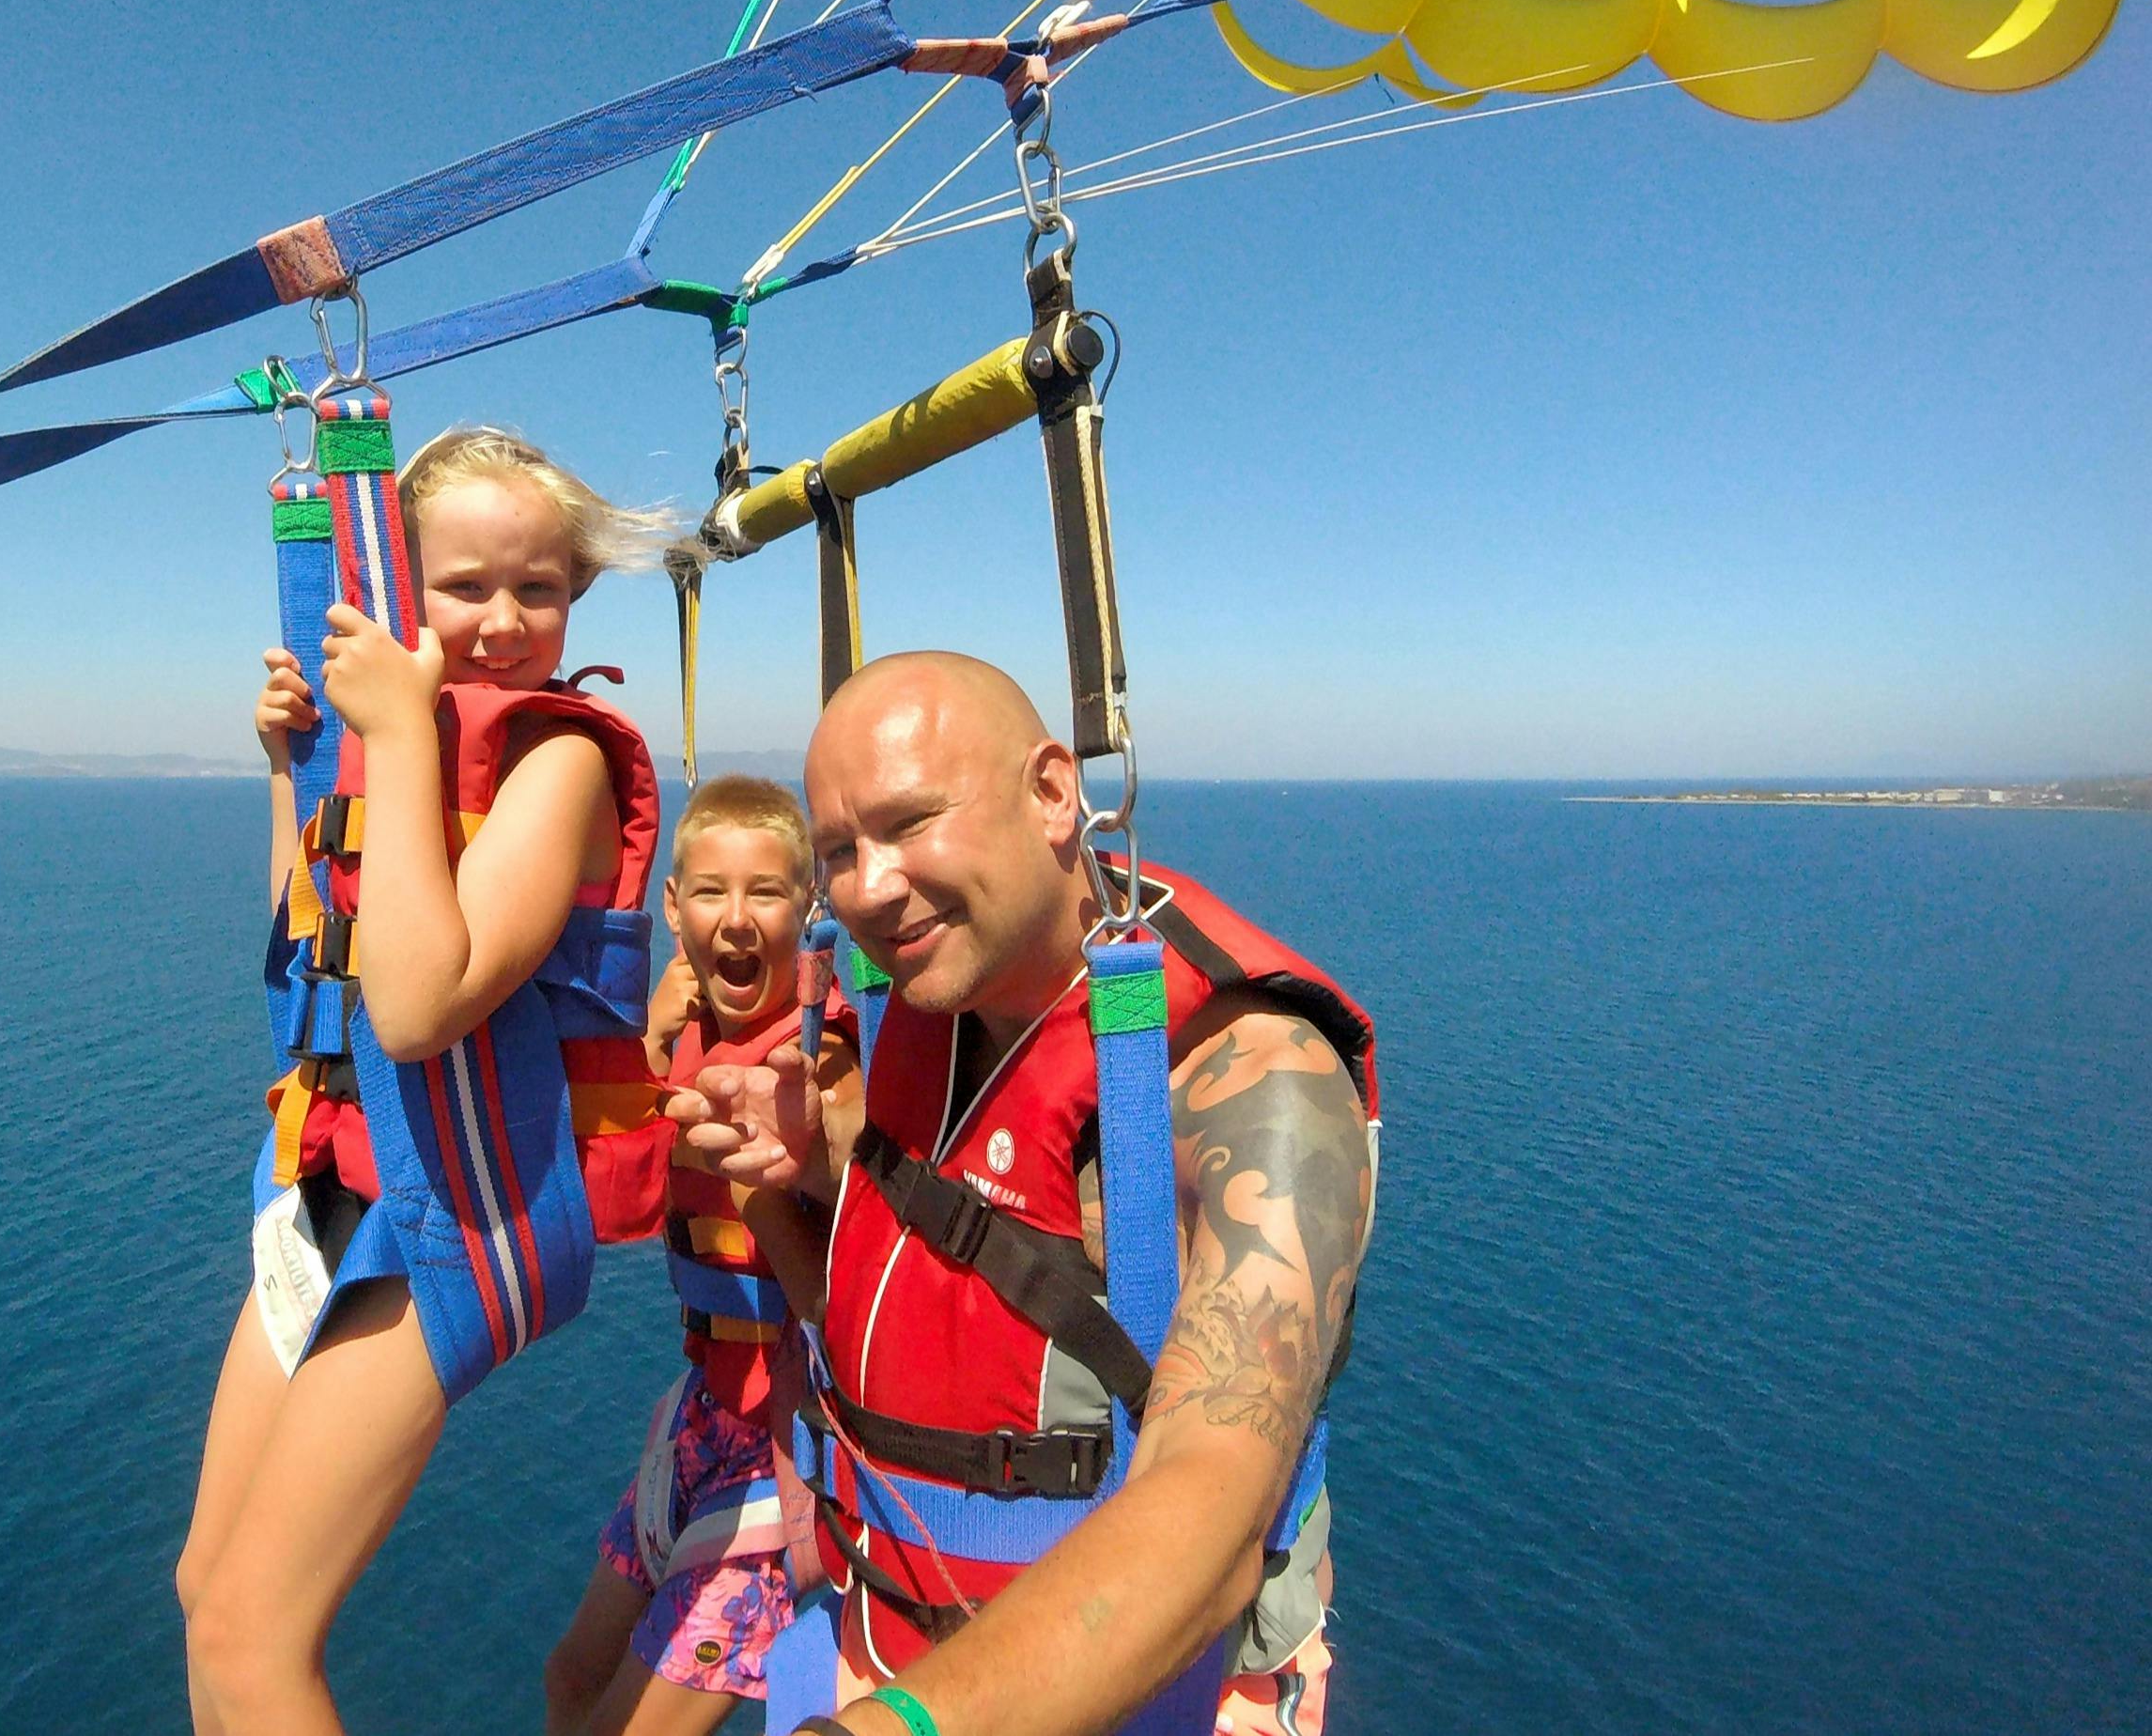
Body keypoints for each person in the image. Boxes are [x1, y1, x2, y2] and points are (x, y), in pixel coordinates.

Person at [672, 652, 1380, 1736]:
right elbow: (914, 1308)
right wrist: (808, 1175)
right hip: (877, 1636)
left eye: (910, 823)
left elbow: (1213, 1510)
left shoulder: (1249, 1083)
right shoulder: (920, 1016)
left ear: (1054, 792)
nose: (866, 884)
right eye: (839, 852)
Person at [175, 426, 673, 1736]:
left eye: (541, 588)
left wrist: (395, 728)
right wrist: (299, 768)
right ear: (398, 587)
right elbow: (318, 940)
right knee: (207, 1590)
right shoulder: (398, 742)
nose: (507, 621)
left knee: (253, 1636)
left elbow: (416, 998)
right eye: (466, 587)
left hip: (456, 1213)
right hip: (332, 1187)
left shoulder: (553, 761)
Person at [544, 777, 862, 1736]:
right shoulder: (677, 1034)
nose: (737, 917)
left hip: (792, 1443)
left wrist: (767, 1186)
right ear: (672, 909)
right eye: (711, 892)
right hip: (704, 1419)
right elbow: (616, 1202)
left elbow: (848, 1315)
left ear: (808, 911)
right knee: (569, 1680)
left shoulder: (820, 1057)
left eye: (766, 891)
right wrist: (646, 1035)